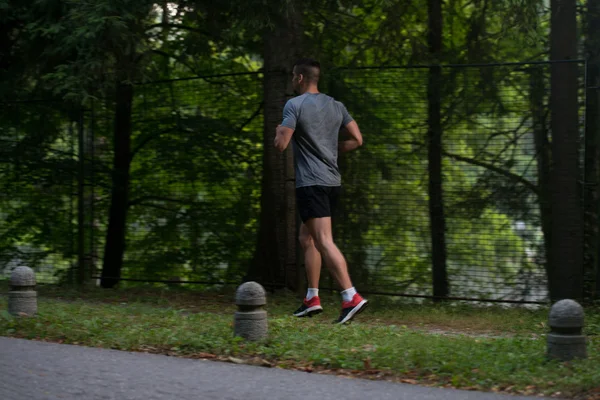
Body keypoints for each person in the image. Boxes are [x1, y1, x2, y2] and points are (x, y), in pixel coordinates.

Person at [273, 58, 368, 324]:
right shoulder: (336, 105)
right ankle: (311, 298)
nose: (292, 81)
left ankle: (351, 296)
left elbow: (281, 145)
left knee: (323, 240)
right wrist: (330, 150)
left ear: (300, 78)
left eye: (293, 76)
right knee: (308, 239)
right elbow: (357, 140)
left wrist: (279, 132)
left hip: (311, 183)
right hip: (331, 182)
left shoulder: (295, 105)